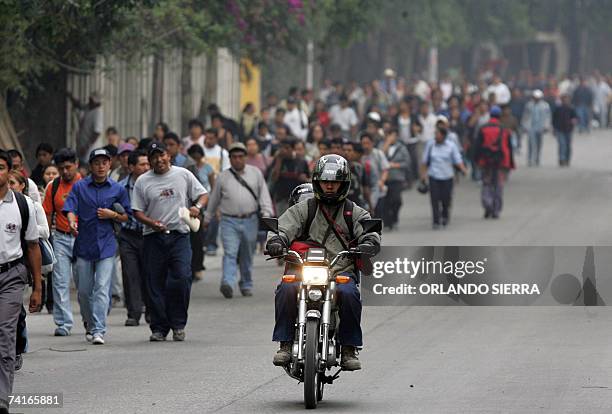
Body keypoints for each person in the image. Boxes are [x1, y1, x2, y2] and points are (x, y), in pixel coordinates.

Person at [266, 154, 381, 371]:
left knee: (349, 293)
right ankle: (285, 344)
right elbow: (283, 227)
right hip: (305, 268)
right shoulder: (304, 209)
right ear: (317, 182)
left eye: (334, 181)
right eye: (325, 181)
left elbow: (369, 231)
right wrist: (277, 241)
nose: (329, 186)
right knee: (286, 287)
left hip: (340, 268)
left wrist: (368, 243)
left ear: (343, 184)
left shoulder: (353, 211)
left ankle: (348, 348)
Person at [131, 142, 208, 342]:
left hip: (179, 235)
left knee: (182, 278)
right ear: (149, 161)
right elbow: (137, 211)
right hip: (153, 237)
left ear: (169, 156)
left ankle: (178, 324)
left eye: (162, 155)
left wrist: (197, 207)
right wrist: (151, 223)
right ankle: (159, 327)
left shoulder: (183, 174)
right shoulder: (142, 181)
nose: (159, 160)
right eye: (154, 157)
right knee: (154, 283)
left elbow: (203, 194)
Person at [63, 148, 130, 345]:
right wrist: (72, 222)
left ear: (110, 165)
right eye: (97, 163)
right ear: (90, 166)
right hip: (84, 244)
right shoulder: (80, 187)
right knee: (84, 291)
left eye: (104, 163)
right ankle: (89, 323)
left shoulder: (117, 189)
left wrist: (113, 215)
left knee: (102, 287)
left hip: (107, 245)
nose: (101, 167)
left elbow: (127, 215)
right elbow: (70, 208)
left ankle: (99, 329)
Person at [0, 150, 42, 414]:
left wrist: (37, 287)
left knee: (5, 335)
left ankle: (3, 397)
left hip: (11, 276)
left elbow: (33, 246)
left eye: (1, 167)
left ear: (9, 171)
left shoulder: (22, 204)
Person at [204, 142, 273, 299]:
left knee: (247, 254)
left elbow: (264, 195)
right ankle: (227, 282)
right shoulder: (223, 177)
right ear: (230, 159)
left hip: (250, 219)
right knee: (230, 252)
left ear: (245, 157)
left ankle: (246, 284)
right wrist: (207, 218)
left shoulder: (255, 173)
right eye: (234, 157)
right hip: (229, 221)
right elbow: (214, 200)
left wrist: (267, 212)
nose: (237, 160)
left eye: (240, 156)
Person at [7, 171, 49, 372]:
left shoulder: (27, 205)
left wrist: (25, 227)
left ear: (22, 185)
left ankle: (15, 350)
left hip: (18, 266)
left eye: (13, 182)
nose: (9, 185)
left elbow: (42, 235)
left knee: (14, 314)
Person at [42, 148, 81, 337]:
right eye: (61, 168)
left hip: (84, 239)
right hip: (61, 238)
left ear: (76, 164)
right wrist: (46, 238)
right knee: (60, 282)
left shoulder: (85, 184)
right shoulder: (53, 186)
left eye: (68, 167)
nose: (65, 172)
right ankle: (64, 323)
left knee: (85, 283)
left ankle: (91, 319)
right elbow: (47, 214)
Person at [118, 150, 150, 326]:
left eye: (147, 164)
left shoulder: (154, 184)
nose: (146, 168)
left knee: (150, 273)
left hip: (149, 235)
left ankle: (151, 311)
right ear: (131, 167)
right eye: (142, 164)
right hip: (128, 235)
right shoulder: (121, 188)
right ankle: (133, 312)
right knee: (130, 274)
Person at [420, 126, 468, 229]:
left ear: (443, 135)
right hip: (434, 176)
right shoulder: (430, 145)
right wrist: (423, 176)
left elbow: (457, 160)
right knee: (434, 199)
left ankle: (445, 216)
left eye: (438, 134)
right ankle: (436, 221)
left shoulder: (451, 146)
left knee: (446, 199)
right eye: (435, 134)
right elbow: (424, 161)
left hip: (447, 176)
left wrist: (463, 169)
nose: (436, 136)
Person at [473, 106, 515, 219]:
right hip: (500, 163)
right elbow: (509, 148)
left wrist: (476, 161)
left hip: (485, 162)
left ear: (490, 115)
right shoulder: (504, 130)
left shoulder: (483, 128)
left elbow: (477, 147)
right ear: (499, 116)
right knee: (498, 185)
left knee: (486, 184)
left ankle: (488, 205)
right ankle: (496, 209)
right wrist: (510, 164)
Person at [186, 145, 215, 281]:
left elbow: (212, 187)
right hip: (188, 205)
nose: (196, 160)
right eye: (194, 157)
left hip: (202, 203)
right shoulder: (186, 166)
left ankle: (198, 266)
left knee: (198, 237)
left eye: (198, 157)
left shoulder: (207, 168)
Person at [268, 138, 310, 216]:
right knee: (282, 225)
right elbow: (273, 178)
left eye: (287, 148)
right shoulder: (277, 160)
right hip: (281, 200)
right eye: (281, 147)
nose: (284, 150)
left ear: (293, 149)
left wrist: (305, 179)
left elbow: (308, 181)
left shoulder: (301, 162)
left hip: (297, 200)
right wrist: (279, 160)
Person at [380, 128, 410, 230]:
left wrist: (396, 165)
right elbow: (379, 157)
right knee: (385, 201)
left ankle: (395, 217)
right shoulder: (381, 146)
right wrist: (387, 143)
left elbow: (407, 163)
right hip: (384, 178)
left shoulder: (401, 148)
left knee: (397, 200)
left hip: (397, 177)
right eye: (388, 135)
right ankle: (388, 222)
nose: (390, 137)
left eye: (391, 135)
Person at [69, 91, 103, 164]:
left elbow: (96, 132)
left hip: (90, 148)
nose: (89, 101)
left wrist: (86, 147)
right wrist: (71, 97)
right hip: (82, 145)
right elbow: (79, 105)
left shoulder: (98, 113)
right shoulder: (88, 108)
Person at [359, 132, 389, 215]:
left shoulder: (378, 154)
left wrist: (382, 181)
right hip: (364, 188)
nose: (366, 146)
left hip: (377, 186)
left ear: (372, 143)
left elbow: (385, 169)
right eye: (363, 143)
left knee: (377, 211)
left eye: (367, 143)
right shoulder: (359, 156)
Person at [521, 90, 551, 167]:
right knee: (530, 144)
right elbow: (525, 116)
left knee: (539, 144)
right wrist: (524, 126)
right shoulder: (529, 105)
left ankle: (537, 158)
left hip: (540, 127)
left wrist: (546, 126)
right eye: (535, 97)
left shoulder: (545, 105)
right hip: (531, 127)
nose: (536, 99)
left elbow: (548, 117)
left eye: (538, 97)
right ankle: (530, 159)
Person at [552, 94, 579, 167]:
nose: (566, 101)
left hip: (568, 130)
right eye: (564, 99)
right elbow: (554, 119)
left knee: (568, 146)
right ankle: (561, 159)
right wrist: (554, 129)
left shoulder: (571, 108)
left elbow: (575, 117)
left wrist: (574, 121)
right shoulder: (558, 108)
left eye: (567, 99)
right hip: (559, 129)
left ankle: (567, 159)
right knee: (562, 145)